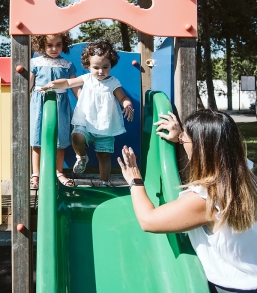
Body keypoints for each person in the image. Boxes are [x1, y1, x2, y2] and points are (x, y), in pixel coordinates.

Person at [117, 109, 257, 293]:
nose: (182, 140)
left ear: (201, 148)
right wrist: (180, 137)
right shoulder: (244, 172)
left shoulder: (208, 197)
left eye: (185, 139)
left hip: (231, 288)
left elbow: (148, 220)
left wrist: (134, 179)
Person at [39, 39, 134, 187]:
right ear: (88, 66)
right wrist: (52, 84)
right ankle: (82, 157)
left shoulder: (113, 82)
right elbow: (68, 83)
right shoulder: (87, 79)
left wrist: (127, 104)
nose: (101, 71)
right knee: (76, 138)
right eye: (96, 67)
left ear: (111, 65)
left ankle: (104, 181)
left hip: (105, 125)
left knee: (103, 156)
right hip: (85, 121)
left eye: (105, 67)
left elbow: (122, 97)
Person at [29, 33, 81, 189]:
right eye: (49, 45)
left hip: (60, 103)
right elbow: (28, 85)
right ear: (41, 45)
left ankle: (59, 172)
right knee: (37, 138)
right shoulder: (35, 62)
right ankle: (36, 174)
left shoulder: (67, 64)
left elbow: (74, 86)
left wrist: (84, 100)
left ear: (63, 45)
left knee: (60, 138)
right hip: (40, 102)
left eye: (58, 45)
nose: (54, 49)